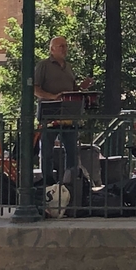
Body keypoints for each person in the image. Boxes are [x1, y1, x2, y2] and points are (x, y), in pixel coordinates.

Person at [32, 36, 92, 181]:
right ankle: (48, 181)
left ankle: (70, 180)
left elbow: (72, 90)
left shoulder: (69, 67)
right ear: (52, 49)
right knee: (47, 150)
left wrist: (82, 87)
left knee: (71, 150)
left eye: (66, 46)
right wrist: (52, 97)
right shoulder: (43, 65)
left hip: (68, 113)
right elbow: (34, 88)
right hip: (49, 112)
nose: (64, 49)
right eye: (61, 46)